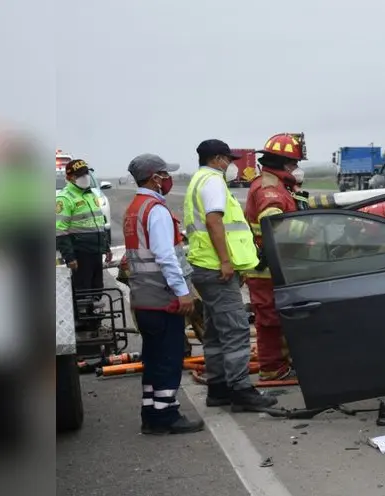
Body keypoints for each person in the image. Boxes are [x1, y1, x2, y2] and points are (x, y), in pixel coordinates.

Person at [184, 139, 276, 411]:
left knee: (215, 332)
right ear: (216, 159)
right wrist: (226, 261)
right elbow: (214, 221)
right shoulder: (212, 181)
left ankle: (219, 389)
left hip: (204, 265)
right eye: (228, 159)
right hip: (215, 268)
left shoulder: (198, 180)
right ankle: (240, 390)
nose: (232, 165)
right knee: (236, 329)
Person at [123, 154, 204, 434]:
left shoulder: (135, 208)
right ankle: (165, 416)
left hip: (144, 298)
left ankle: (151, 412)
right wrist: (183, 292)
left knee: (154, 358)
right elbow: (165, 256)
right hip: (162, 298)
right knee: (168, 359)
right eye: (164, 174)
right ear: (154, 178)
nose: (168, 179)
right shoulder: (154, 209)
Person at [244, 133, 308, 383]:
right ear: (282, 163)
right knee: (271, 320)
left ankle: (282, 363)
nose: (295, 169)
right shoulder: (269, 189)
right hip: (267, 268)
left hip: (275, 265)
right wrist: (309, 230)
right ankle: (272, 368)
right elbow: (274, 225)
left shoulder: (275, 184)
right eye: (293, 164)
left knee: (279, 317)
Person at [56, 158, 112, 296]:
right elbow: (59, 230)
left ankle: (95, 316)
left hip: (95, 252)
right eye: (79, 175)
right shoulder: (64, 198)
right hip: (80, 254)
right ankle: (84, 316)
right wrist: (69, 257)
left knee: (97, 289)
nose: (84, 177)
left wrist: (106, 247)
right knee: (83, 293)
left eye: (86, 173)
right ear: (70, 178)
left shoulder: (91, 195)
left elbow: (98, 223)